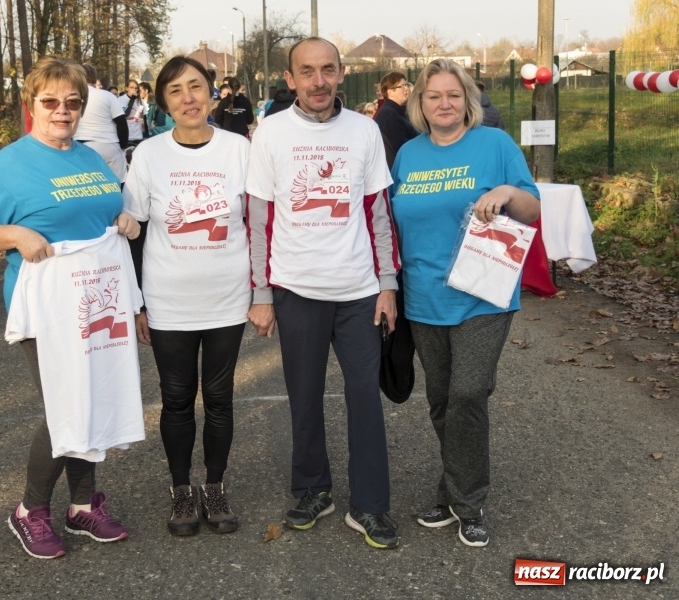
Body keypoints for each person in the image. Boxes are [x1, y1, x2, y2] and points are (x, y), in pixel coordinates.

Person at [0, 55, 144, 560]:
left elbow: (104, 209)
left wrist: (125, 219)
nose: (63, 111)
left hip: (95, 301)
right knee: (67, 404)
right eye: (51, 102)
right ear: (31, 105)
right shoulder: (9, 164)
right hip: (46, 308)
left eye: (73, 102)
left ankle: (83, 505)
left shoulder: (88, 157)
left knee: (94, 397)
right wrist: (15, 234)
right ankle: (29, 511)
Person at [246, 37, 400, 550]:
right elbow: (260, 220)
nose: (318, 81)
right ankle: (313, 490)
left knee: (365, 399)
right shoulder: (269, 133)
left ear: (341, 74)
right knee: (305, 399)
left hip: (358, 292)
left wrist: (387, 285)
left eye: (327, 70)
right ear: (290, 79)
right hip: (296, 291)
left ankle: (370, 506)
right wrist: (262, 294)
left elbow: (378, 212)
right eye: (307, 72)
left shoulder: (365, 130)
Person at [390, 59, 540, 548]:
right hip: (424, 297)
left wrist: (507, 190)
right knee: (440, 402)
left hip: (482, 294)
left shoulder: (494, 145)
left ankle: (469, 502)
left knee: (469, 394)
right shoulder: (408, 156)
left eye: (453, 94)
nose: (444, 104)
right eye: (433, 96)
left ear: (468, 100)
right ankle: (453, 490)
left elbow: (534, 208)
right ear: (420, 103)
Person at [124, 56, 251, 537]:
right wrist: (135, 302)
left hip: (227, 297)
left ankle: (214, 487)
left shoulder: (239, 149)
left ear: (213, 93)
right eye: (175, 91)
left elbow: (258, 223)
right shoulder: (149, 155)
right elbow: (132, 231)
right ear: (163, 103)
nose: (188, 98)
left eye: (196, 87)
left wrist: (261, 293)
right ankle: (181, 491)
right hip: (167, 300)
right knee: (176, 399)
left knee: (219, 397)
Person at [74, 63, 128, 183]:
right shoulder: (107, 96)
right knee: (118, 184)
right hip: (108, 144)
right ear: (94, 78)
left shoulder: (73, 96)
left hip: (80, 146)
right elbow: (121, 123)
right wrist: (123, 146)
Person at [373, 71, 416, 169]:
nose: (406, 89)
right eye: (402, 86)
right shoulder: (389, 115)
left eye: (406, 85)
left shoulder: (396, 111)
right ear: (390, 91)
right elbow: (402, 149)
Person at [119, 78, 146, 162]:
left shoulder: (140, 101)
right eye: (131, 87)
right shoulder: (121, 100)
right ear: (127, 88)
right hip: (127, 135)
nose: (134, 90)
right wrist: (132, 99)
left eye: (136, 88)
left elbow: (144, 116)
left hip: (138, 135)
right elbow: (125, 114)